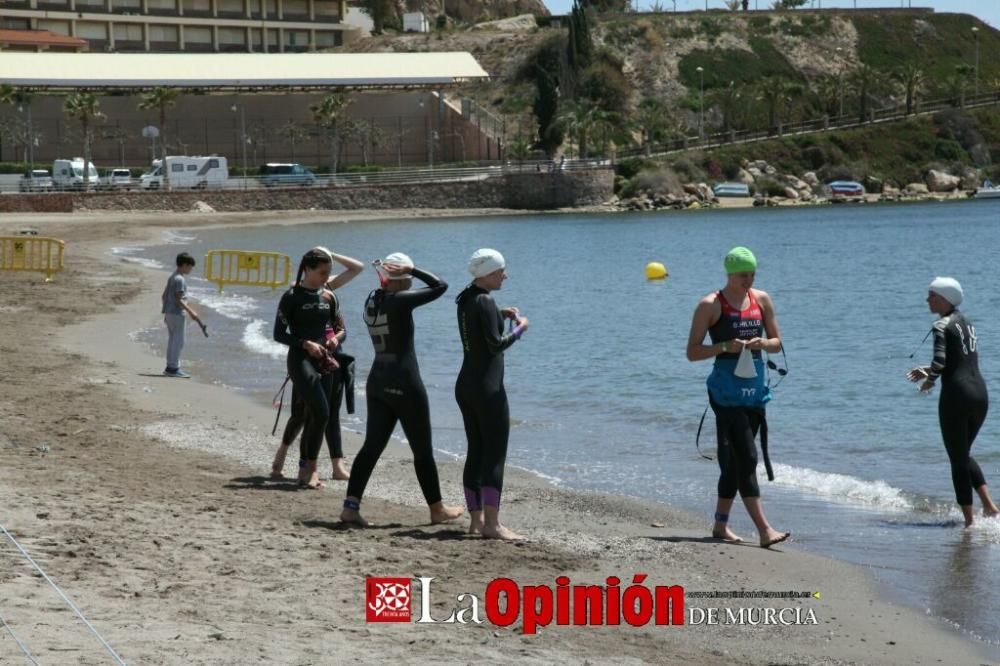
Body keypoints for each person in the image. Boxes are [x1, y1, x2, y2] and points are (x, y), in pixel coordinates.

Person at [340, 253, 464, 527]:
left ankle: (351, 507)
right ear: (397, 279)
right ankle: (437, 509)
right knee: (422, 451)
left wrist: (397, 273)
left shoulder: (373, 298)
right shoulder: (399, 301)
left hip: (378, 381)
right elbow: (440, 286)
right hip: (405, 383)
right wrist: (415, 268)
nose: (410, 282)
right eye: (407, 278)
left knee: (371, 448)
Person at [685, 246, 790, 548]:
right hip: (725, 392)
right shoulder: (710, 305)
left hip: (755, 390)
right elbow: (692, 352)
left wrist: (762, 343)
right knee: (747, 457)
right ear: (729, 274)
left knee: (732, 462)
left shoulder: (762, 299)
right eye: (743, 274)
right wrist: (723, 347)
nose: (748, 279)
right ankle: (765, 530)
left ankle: (720, 526)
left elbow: (777, 343)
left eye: (752, 274)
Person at [907, 277, 999, 527]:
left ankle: (969, 523)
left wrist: (929, 381)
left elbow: (940, 363)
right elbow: (959, 361)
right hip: (980, 394)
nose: (928, 300)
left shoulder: (941, 325)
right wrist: (930, 370)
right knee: (963, 453)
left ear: (944, 298)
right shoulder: (967, 324)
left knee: (957, 459)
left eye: (932, 295)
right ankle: (990, 507)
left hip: (956, 396)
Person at [271, 248, 364, 482]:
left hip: (326, 362)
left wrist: (335, 339)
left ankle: (306, 468)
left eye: (329, 272)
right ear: (308, 269)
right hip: (300, 360)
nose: (326, 276)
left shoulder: (328, 296)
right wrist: (306, 344)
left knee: (320, 414)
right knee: (312, 414)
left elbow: (342, 329)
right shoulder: (292, 296)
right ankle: (303, 465)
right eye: (322, 272)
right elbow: (279, 334)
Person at [455, 249, 529, 540]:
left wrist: (501, 313)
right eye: (501, 271)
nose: (505, 276)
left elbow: (476, 324)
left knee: (475, 451)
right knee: (495, 455)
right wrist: (521, 328)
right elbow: (495, 345)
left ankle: (476, 521)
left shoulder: (466, 297)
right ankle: (493, 526)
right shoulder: (485, 301)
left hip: (466, 386)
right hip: (488, 389)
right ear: (487, 273)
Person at [161, 252, 206, 378]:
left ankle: (170, 367)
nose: (191, 269)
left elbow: (164, 296)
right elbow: (178, 299)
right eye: (190, 267)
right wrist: (192, 312)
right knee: (178, 342)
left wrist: (166, 310)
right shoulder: (180, 279)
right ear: (184, 265)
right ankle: (173, 369)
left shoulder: (172, 277)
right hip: (177, 314)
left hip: (169, 313)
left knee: (172, 340)